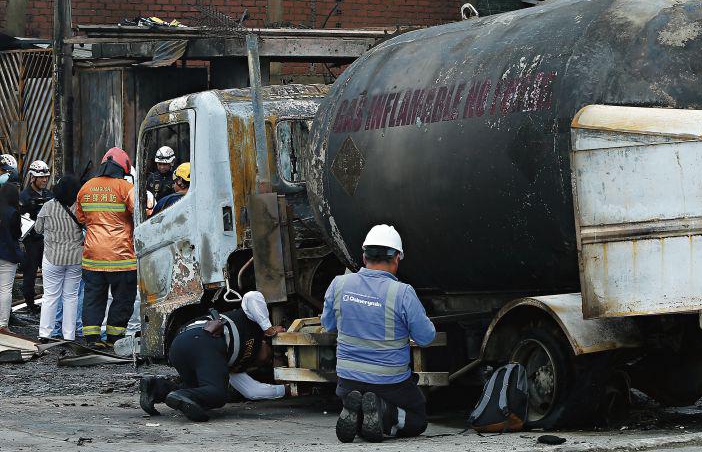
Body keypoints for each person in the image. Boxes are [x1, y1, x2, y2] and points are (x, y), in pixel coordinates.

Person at [321, 224, 436, 443]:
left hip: (348, 380)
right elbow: (426, 337)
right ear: (397, 259)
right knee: (417, 419)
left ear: (364, 257)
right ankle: (382, 412)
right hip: (390, 383)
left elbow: (328, 325)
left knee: (357, 395)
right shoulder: (402, 292)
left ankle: (358, 414)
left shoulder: (339, 284)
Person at [138, 291, 287, 422]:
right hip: (201, 340)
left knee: (198, 389)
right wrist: (268, 327)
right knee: (217, 394)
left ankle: (155, 388)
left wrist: (286, 390)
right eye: (270, 356)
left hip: (181, 346)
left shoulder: (237, 368)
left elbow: (253, 392)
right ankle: (185, 396)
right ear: (265, 342)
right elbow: (252, 296)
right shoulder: (253, 322)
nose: (266, 361)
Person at [76, 147, 137, 348]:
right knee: (122, 299)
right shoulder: (125, 188)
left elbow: (81, 218)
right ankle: (114, 339)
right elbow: (142, 212)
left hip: (92, 257)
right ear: (123, 168)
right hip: (122, 258)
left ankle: (92, 339)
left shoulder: (86, 187)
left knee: (93, 298)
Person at [35, 175, 84, 342]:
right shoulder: (80, 209)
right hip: (75, 258)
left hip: (52, 257)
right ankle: (69, 335)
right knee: (71, 296)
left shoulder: (47, 207)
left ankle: (44, 334)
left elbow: (38, 229)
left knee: (50, 296)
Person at [19, 160, 53, 315]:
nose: (45, 180)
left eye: (46, 177)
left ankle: (49, 303)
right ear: (33, 178)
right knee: (30, 273)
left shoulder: (48, 195)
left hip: (47, 240)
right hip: (31, 241)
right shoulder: (24, 197)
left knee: (49, 272)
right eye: (41, 177)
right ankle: (30, 304)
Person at [0, 184, 23, 333]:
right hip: (7, 254)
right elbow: (17, 234)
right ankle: (2, 324)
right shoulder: (13, 213)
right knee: (5, 290)